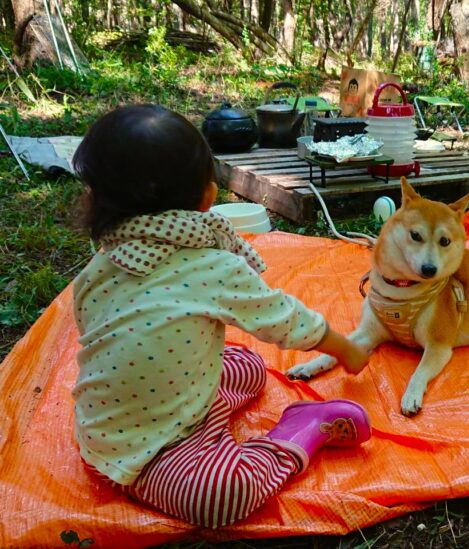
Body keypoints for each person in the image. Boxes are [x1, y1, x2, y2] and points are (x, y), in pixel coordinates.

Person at [70, 104, 371, 528]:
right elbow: (282, 318)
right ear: (209, 196)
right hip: (155, 456)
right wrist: (344, 348)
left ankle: (210, 413)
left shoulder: (99, 265)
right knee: (225, 495)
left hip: (105, 427)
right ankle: (301, 430)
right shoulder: (212, 266)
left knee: (249, 367)